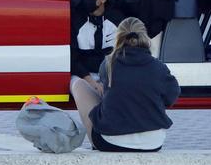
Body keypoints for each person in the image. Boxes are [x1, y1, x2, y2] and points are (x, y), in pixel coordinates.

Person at [70, 17, 179, 152]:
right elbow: (171, 96)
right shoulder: (159, 67)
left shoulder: (108, 64)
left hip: (110, 142)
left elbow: (108, 95)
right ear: (144, 37)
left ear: (118, 37)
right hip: (153, 143)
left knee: (78, 84)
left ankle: (95, 143)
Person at [70, 0, 123, 89]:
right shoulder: (76, 19)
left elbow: (124, 54)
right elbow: (73, 58)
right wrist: (92, 83)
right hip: (83, 76)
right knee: (79, 87)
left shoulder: (117, 20)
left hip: (111, 75)